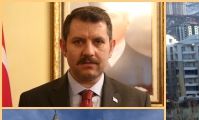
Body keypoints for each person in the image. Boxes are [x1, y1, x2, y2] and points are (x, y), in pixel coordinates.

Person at [19, 6, 150, 107]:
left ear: (111, 48)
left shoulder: (138, 102)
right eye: (78, 42)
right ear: (63, 47)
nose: (88, 52)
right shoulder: (32, 101)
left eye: (98, 41)